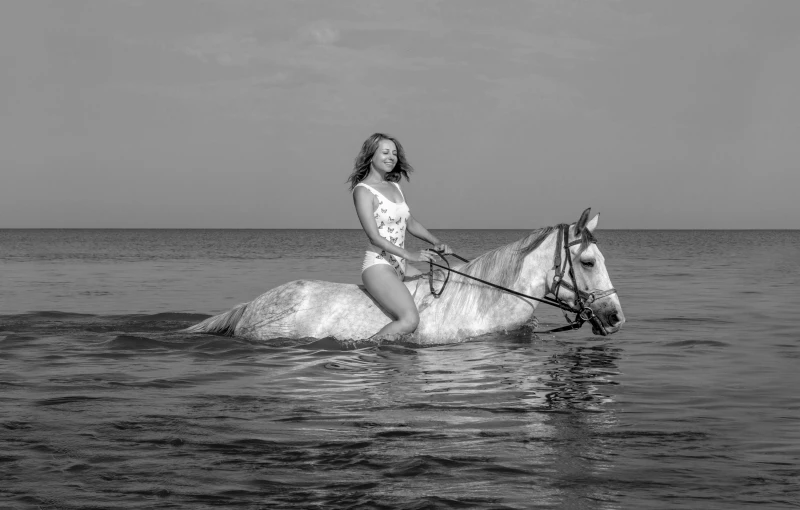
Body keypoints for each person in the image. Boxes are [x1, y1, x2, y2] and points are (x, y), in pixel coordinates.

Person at [348, 133, 453, 340]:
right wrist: (410, 255)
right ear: (371, 156)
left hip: (401, 266)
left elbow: (410, 222)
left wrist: (436, 242)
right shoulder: (363, 191)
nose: (391, 157)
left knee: (442, 288)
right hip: (379, 265)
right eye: (385, 152)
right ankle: (366, 352)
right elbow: (374, 237)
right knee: (409, 320)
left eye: (394, 153)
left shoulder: (395, 186)